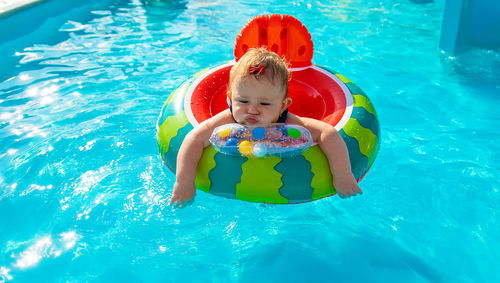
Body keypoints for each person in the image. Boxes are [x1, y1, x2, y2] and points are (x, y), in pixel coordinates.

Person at [169, 47, 361, 207]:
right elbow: (193, 138)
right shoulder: (227, 120)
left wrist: (342, 174)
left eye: (265, 104)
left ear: (283, 105)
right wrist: (184, 181)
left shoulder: (288, 122)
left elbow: (328, 132)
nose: (252, 110)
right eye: (243, 100)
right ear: (230, 97)